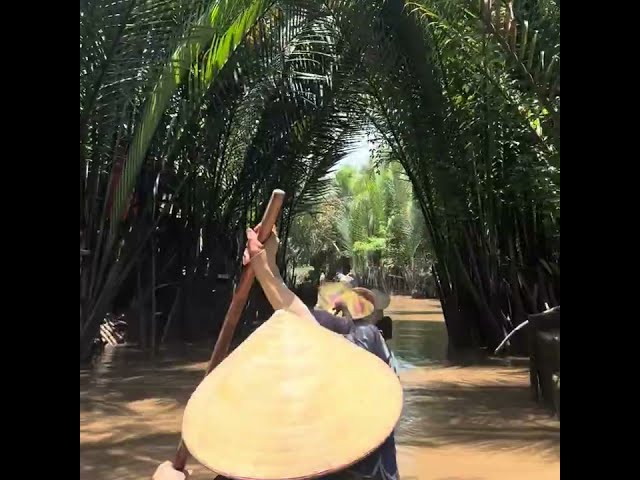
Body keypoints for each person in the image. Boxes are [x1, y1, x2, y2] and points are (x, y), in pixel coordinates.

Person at [153, 225, 401, 480]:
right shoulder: (370, 361)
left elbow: (315, 336)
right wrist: (266, 270)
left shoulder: (257, 468)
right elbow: (319, 342)